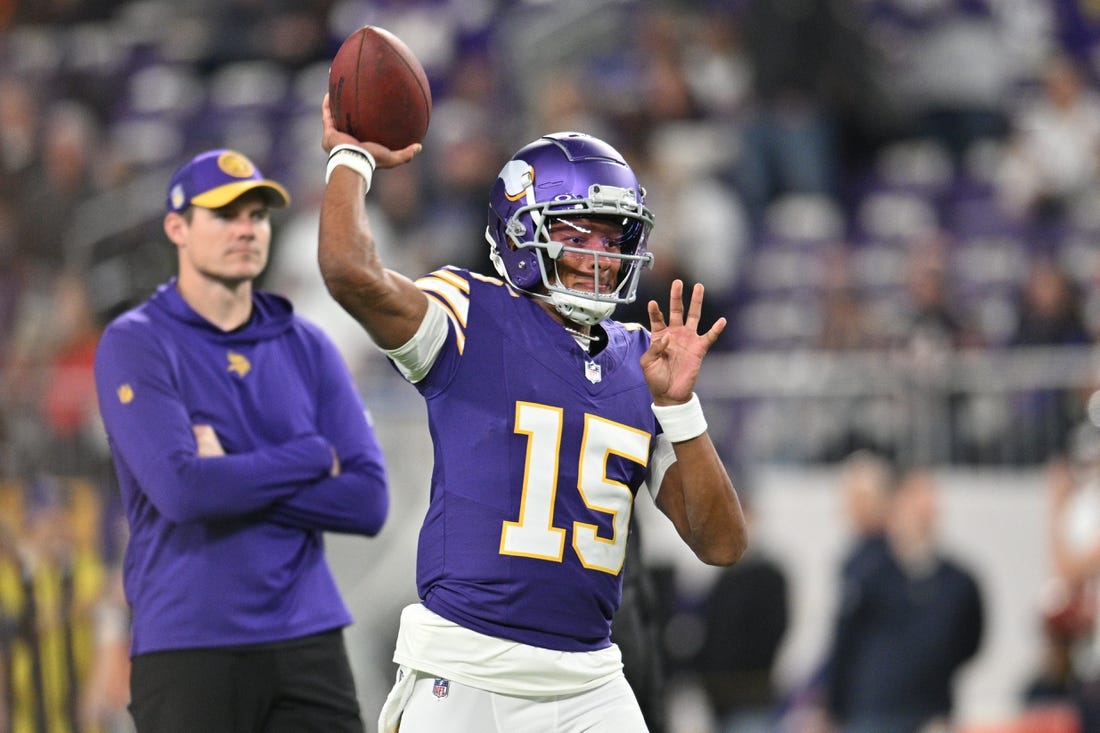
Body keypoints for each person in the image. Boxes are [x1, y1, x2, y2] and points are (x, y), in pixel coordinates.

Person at [316, 95, 748, 733]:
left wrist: (679, 409)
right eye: (579, 232)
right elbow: (350, 271)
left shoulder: (644, 362)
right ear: (522, 233)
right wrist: (350, 157)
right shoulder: (471, 315)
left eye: (614, 234)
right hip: (465, 667)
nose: (603, 254)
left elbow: (721, 544)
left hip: (590, 679)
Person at [93, 148, 390, 733]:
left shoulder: (308, 345)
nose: (247, 229)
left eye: (256, 216)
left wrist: (228, 472)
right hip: (189, 642)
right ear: (177, 227)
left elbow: (367, 501)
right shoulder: (137, 343)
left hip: (308, 637)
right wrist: (308, 456)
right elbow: (182, 492)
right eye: (225, 215)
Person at [823, 465, 984, 733]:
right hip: (872, 712)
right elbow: (844, 641)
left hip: (930, 711)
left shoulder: (959, 580)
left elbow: (970, 640)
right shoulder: (867, 570)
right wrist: (834, 707)